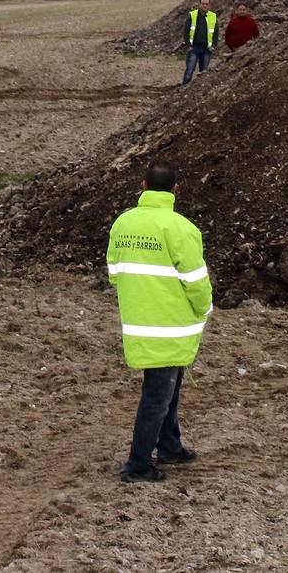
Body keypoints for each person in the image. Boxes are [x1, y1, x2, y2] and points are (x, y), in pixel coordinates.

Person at [107, 159, 213, 483]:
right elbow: (196, 281)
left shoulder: (123, 224)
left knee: (169, 386)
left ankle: (170, 446)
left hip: (140, 320)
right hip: (171, 324)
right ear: (175, 190)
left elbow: (114, 273)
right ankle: (137, 464)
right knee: (157, 395)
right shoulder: (182, 229)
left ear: (143, 186)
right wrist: (205, 308)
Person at [182, 0, 217, 85]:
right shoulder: (192, 15)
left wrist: (213, 45)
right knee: (189, 71)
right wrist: (188, 45)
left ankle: (199, 93)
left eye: (206, 4)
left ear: (209, 5)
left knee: (203, 73)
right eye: (203, 4)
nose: (205, 6)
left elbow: (216, 33)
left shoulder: (213, 16)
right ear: (199, 5)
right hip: (194, 48)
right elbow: (186, 31)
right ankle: (183, 89)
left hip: (206, 49)